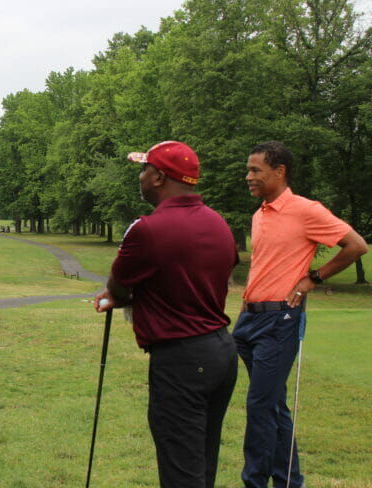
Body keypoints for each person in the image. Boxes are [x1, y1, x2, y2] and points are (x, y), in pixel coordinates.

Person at [94, 141, 239, 488]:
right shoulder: (219, 224)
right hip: (220, 352)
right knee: (201, 463)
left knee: (181, 472)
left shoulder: (147, 229)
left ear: (159, 177)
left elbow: (118, 286)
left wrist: (118, 298)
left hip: (182, 360)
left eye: (144, 170)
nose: (141, 177)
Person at [234, 141, 368, 488]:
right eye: (248, 169)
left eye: (255, 170)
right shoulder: (259, 213)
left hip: (280, 320)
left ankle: (254, 482)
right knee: (274, 407)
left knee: (260, 406)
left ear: (279, 172)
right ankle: (289, 482)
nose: (248, 176)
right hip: (249, 319)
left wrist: (314, 278)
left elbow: (356, 245)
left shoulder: (306, 210)